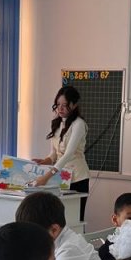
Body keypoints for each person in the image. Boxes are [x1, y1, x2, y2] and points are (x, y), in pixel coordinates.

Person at [14, 191, 104, 260]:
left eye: (33, 236)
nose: (29, 240)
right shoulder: (49, 242)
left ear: (54, 230)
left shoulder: (70, 248)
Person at [31, 85, 90, 217]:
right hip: (61, 178)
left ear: (74, 105)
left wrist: (46, 177)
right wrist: (44, 161)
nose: (60, 108)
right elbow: (54, 154)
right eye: (58, 104)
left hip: (77, 178)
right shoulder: (57, 123)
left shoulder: (79, 124)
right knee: (58, 218)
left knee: (74, 218)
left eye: (65, 105)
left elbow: (68, 154)